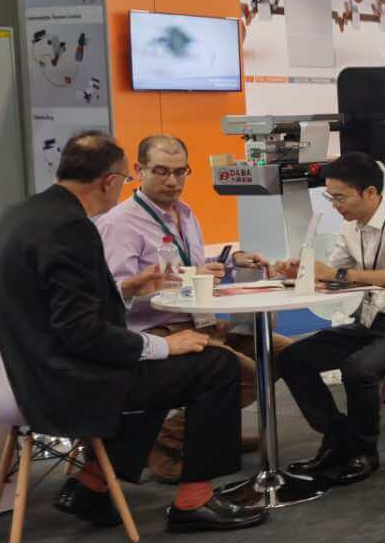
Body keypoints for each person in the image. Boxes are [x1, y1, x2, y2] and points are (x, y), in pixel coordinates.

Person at [0, 132, 265, 532]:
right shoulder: (72, 228)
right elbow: (82, 331)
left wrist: (127, 292)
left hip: (14, 376)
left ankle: (92, 485)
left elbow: (60, 304)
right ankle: (194, 501)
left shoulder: (17, 215)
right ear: (110, 180)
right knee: (215, 366)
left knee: (158, 368)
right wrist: (162, 346)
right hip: (56, 382)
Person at [96, 134, 276, 483]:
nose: (172, 181)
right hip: (156, 330)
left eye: (180, 172)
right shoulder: (120, 224)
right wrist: (179, 280)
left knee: (280, 354)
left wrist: (231, 259)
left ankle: (211, 430)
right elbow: (113, 294)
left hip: (198, 322)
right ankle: (167, 440)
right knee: (246, 373)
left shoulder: (185, 213)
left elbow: (188, 265)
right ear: (139, 170)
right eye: (161, 171)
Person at [275, 152, 385, 485]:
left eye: (340, 197)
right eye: (330, 197)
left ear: (370, 192)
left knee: (359, 368)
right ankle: (338, 437)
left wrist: (337, 274)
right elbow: (334, 273)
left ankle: (364, 452)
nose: (335, 206)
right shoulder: (350, 226)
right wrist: (302, 272)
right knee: (292, 358)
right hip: (371, 319)